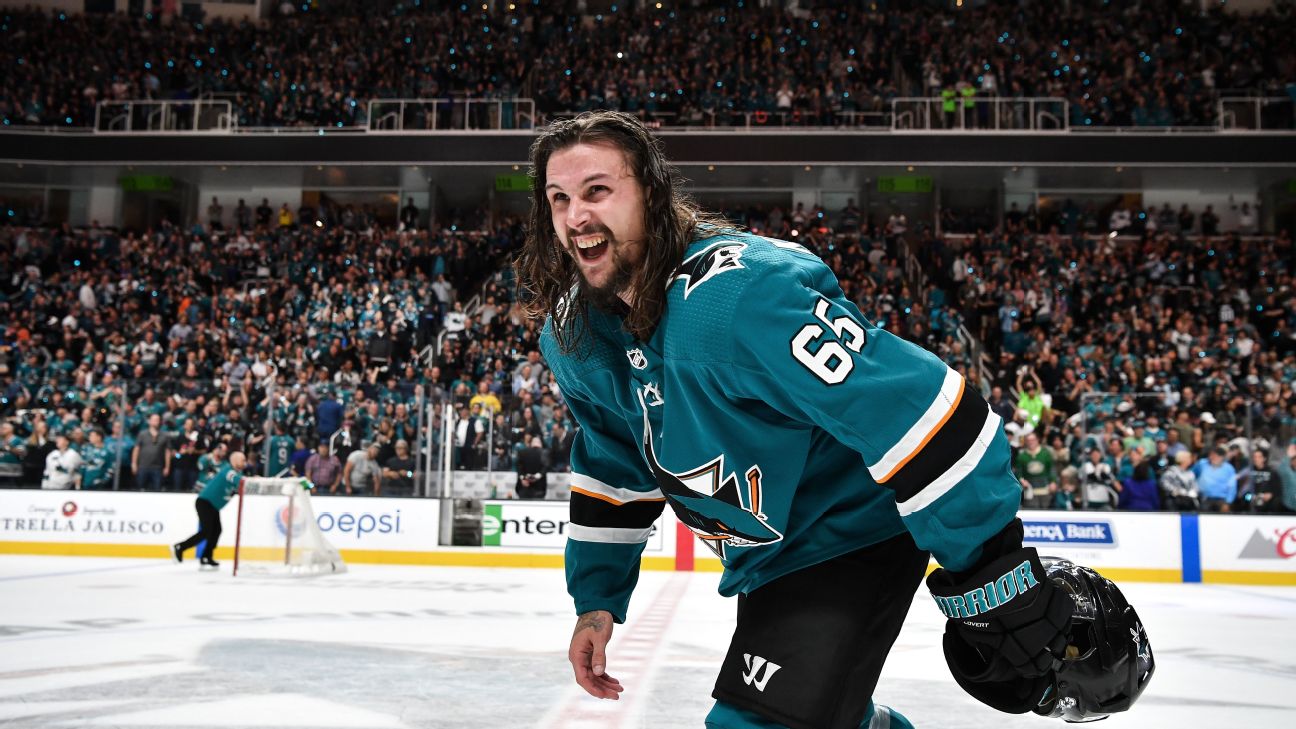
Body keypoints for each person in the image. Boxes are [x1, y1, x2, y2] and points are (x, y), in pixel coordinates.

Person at [515, 111, 1076, 729]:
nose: (575, 216)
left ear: (650, 192)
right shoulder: (575, 334)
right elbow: (615, 465)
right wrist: (596, 600)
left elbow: (922, 410)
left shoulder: (737, 297)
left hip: (853, 532)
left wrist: (992, 569)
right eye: (559, 198)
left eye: (597, 190)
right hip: (768, 560)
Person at [172, 451, 247, 568]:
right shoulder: (229, 471)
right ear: (235, 461)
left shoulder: (237, 473)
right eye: (243, 460)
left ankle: (206, 556)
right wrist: (249, 481)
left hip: (212, 505)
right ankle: (180, 547)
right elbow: (237, 480)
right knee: (207, 531)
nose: (245, 463)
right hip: (205, 502)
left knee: (216, 530)